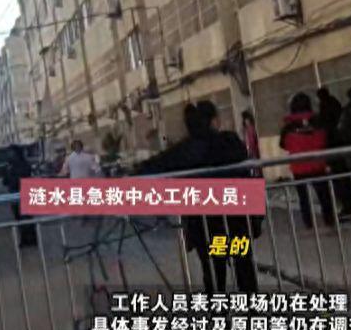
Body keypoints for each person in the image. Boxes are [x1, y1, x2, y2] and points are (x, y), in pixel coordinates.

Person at [135, 101, 259, 293]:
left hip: (205, 226)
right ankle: (251, 307)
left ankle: (217, 309)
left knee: (213, 273)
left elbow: (152, 166)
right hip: (236, 222)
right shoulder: (230, 141)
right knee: (244, 268)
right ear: (214, 121)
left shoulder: (185, 149)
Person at [280, 92, 333, 228]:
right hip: (318, 164)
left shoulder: (289, 126)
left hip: (299, 166)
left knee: (303, 197)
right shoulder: (318, 122)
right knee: (324, 195)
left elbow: (283, 144)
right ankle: (329, 220)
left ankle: (308, 223)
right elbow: (325, 140)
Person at [2, 145, 37, 247]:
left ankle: (32, 239)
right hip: (14, 197)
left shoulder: (24, 165)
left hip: (24, 195)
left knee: (27, 218)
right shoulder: (8, 167)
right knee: (18, 218)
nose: (9, 155)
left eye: (11, 153)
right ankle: (24, 239)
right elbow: (5, 181)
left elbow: (24, 178)